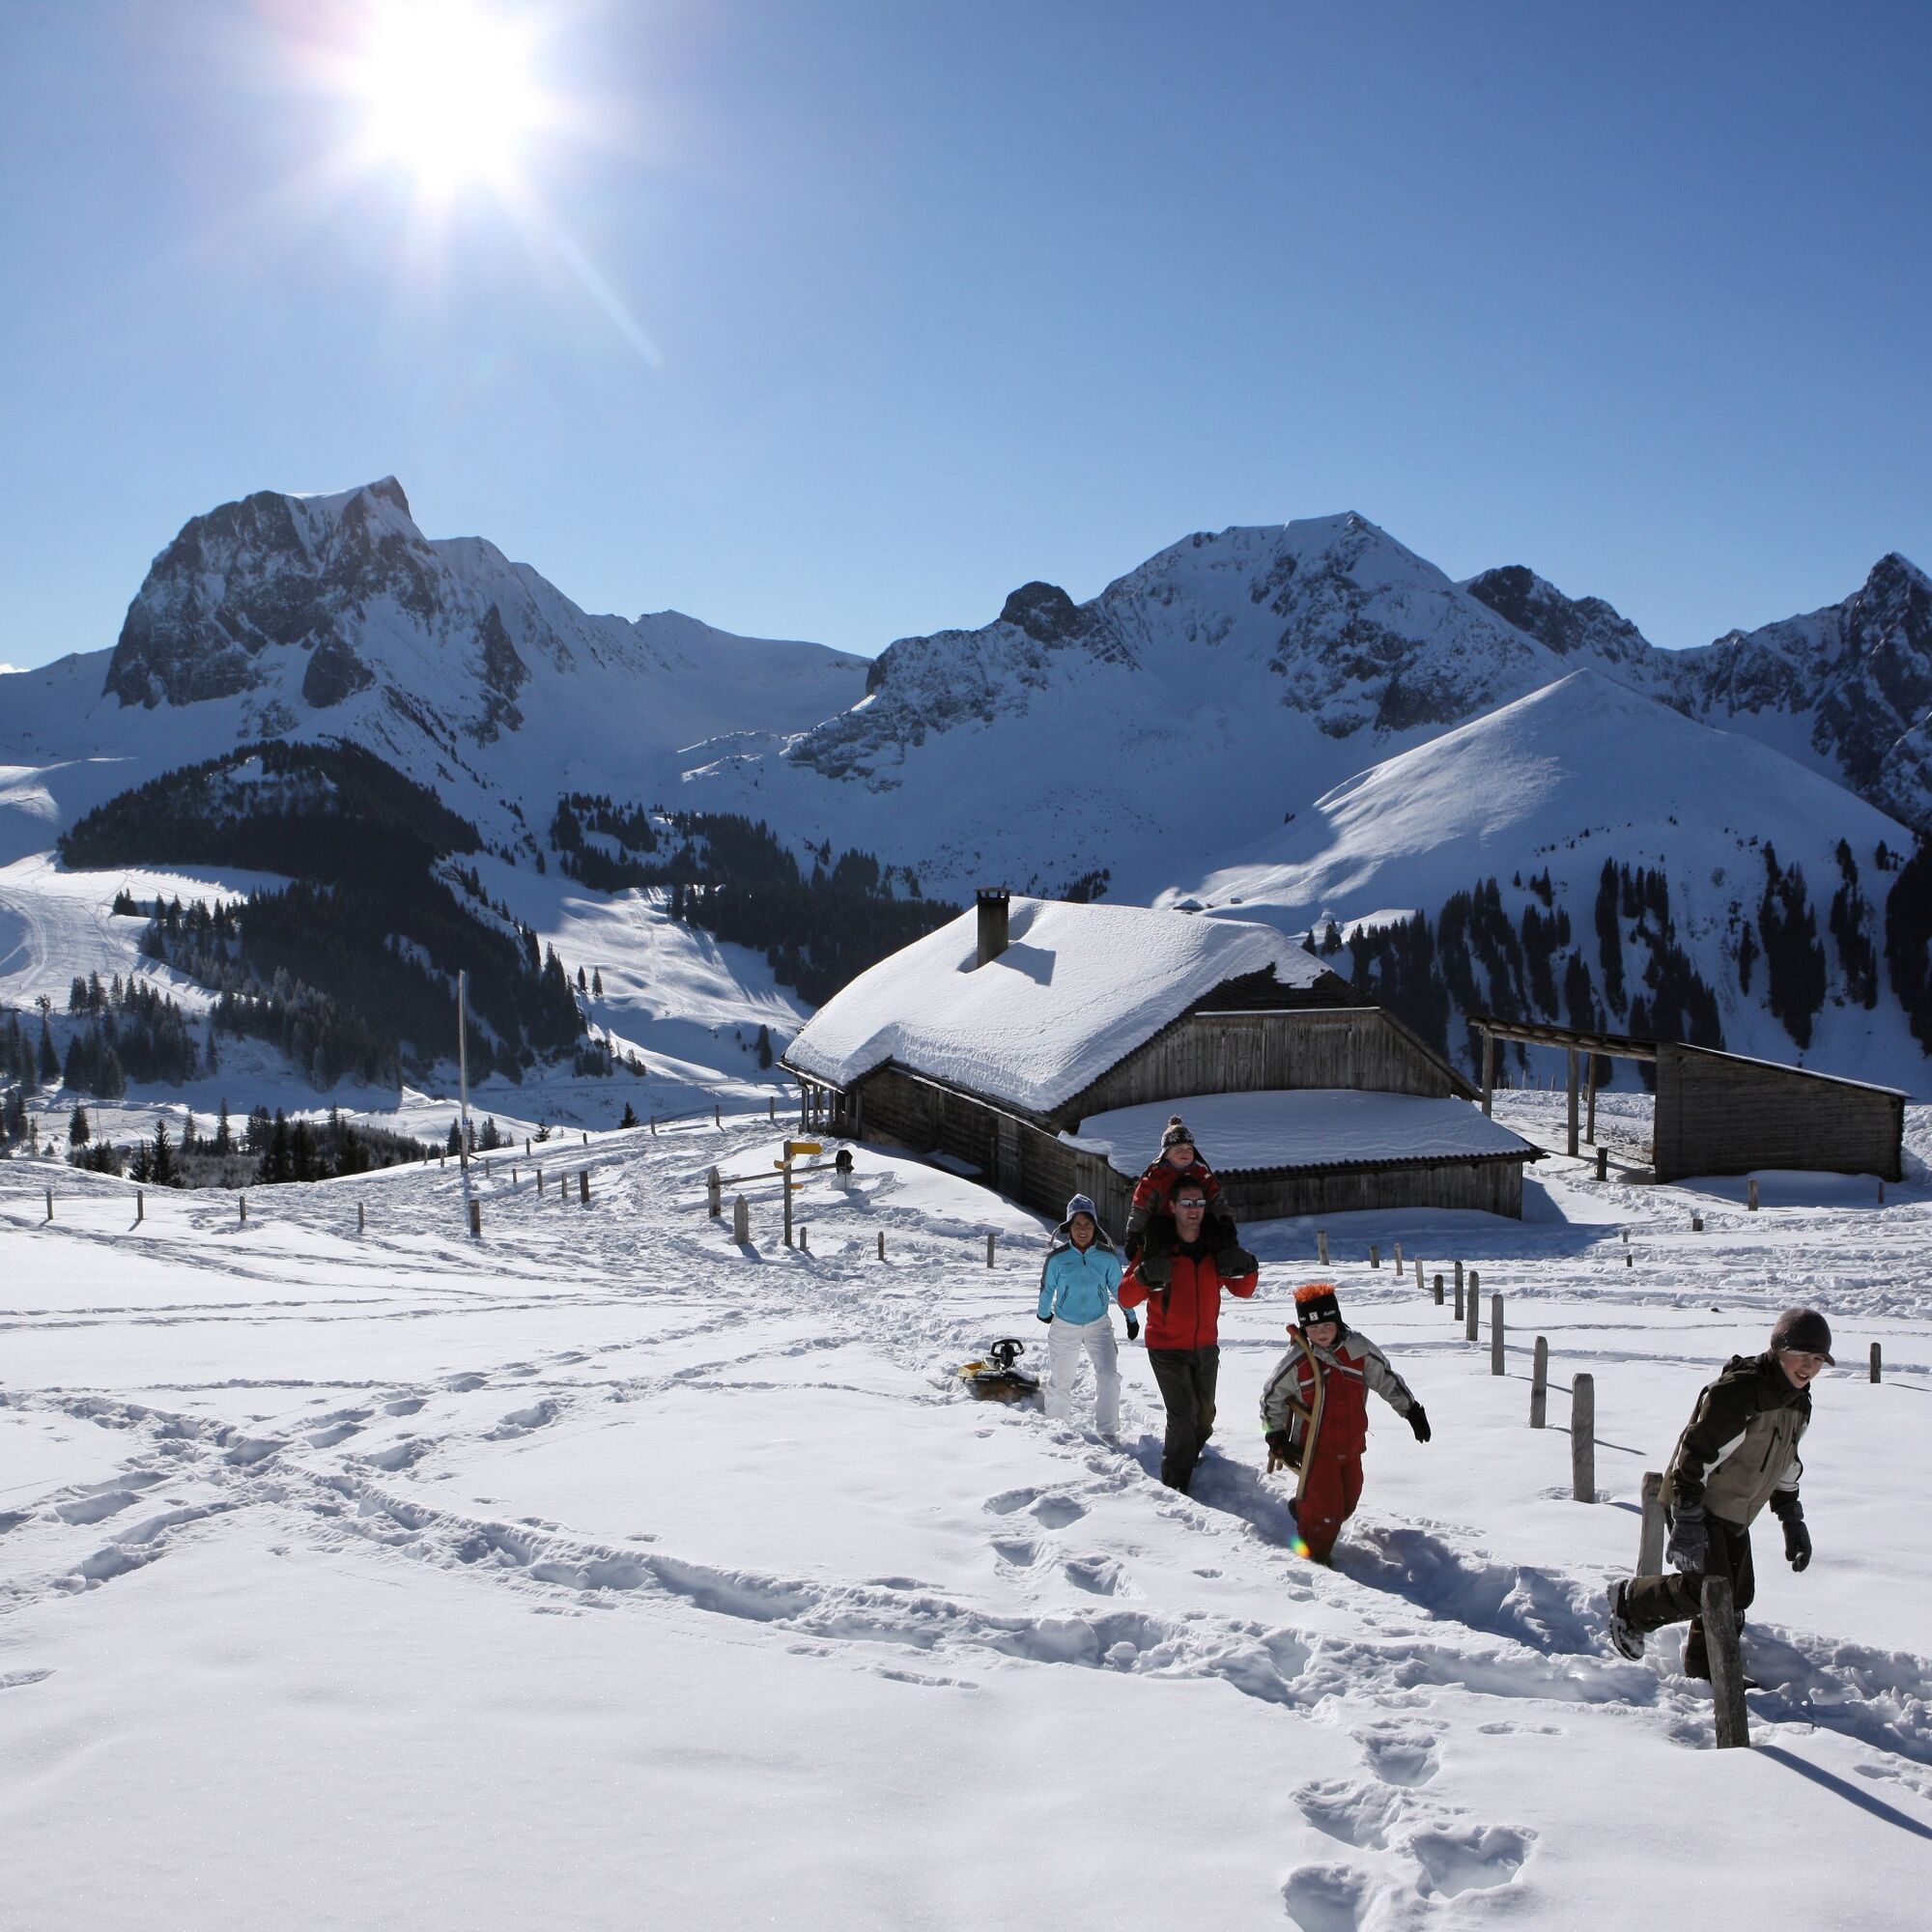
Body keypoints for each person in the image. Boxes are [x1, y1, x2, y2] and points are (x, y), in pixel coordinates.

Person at [1605, 1307, 1828, 1676]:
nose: (1809, 1366)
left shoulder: (1799, 1401)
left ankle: (1707, 1675)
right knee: (1706, 1591)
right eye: (1801, 1355)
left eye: (1818, 1359)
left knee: (1736, 1596)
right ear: (1778, 1349)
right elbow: (1694, 1454)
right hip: (1696, 1500)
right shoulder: (1742, 1390)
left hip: (1734, 1510)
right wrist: (1687, 1517)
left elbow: (1786, 1460)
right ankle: (1632, 1603)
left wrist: (1792, 1518)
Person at [1258, 1281, 1431, 1562]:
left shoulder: (1357, 1349)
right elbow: (1271, 1397)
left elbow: (1385, 1378)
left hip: (1351, 1445)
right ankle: (1314, 1557)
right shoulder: (1300, 1359)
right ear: (1305, 1329)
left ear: (1338, 1322)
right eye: (1314, 1328)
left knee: (1346, 1504)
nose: (1321, 1332)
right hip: (1316, 1449)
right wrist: (1273, 1433)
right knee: (1327, 1512)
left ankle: (1304, 1508)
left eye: (1327, 1325)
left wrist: (1411, 1411)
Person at [1118, 1177, 1258, 1492]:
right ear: (1173, 1206)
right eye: (1186, 1203)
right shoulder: (1158, 1248)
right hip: (1166, 1347)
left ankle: (1187, 1457)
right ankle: (1175, 1487)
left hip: (1205, 1346)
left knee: (1204, 1418)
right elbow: (1125, 1296)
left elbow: (1243, 1289)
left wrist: (1249, 1265)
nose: (1193, 1210)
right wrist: (1143, 1276)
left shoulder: (1215, 1247)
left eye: (1199, 1203)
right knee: (1182, 1417)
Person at [1037, 1194, 1134, 1434]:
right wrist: (1043, 1313)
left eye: (1087, 1224)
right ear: (1069, 1227)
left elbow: (1119, 1289)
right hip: (1064, 1325)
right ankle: (1057, 1429)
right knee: (1061, 1379)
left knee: (1108, 1376)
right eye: (1077, 1224)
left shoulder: (1106, 1256)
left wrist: (1131, 1317)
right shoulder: (1057, 1258)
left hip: (1098, 1324)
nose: (1082, 1230)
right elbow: (1047, 1288)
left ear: (1095, 1226)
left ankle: (1108, 1431)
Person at [1122, 1116, 1246, 1288]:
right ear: (1166, 1153)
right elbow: (1141, 1207)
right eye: (1179, 1149)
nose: (1185, 1152)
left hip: (1195, 1221)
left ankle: (1229, 1262)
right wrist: (1133, 1233)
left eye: (1189, 1148)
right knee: (1155, 1233)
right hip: (1165, 1222)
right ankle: (1155, 1274)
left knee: (1214, 1227)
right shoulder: (1155, 1177)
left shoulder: (1201, 1173)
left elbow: (1217, 1199)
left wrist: (1226, 1219)